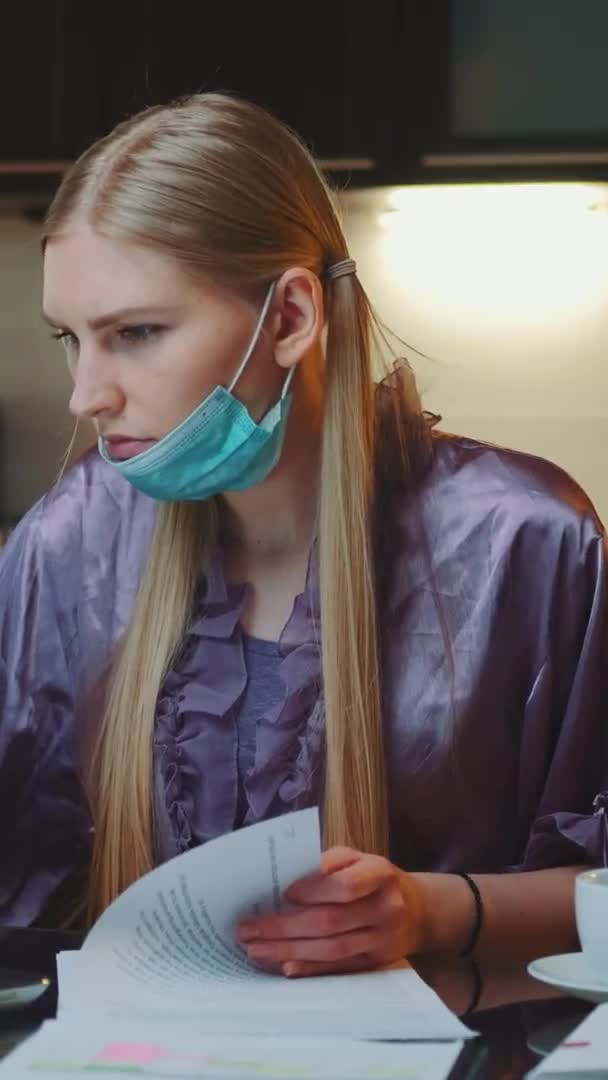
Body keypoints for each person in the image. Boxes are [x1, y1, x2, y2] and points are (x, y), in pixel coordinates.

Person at [0, 93, 606, 979]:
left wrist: (436, 911)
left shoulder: (528, 541)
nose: (86, 394)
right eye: (71, 338)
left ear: (289, 319)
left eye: (135, 333)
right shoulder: (68, 544)